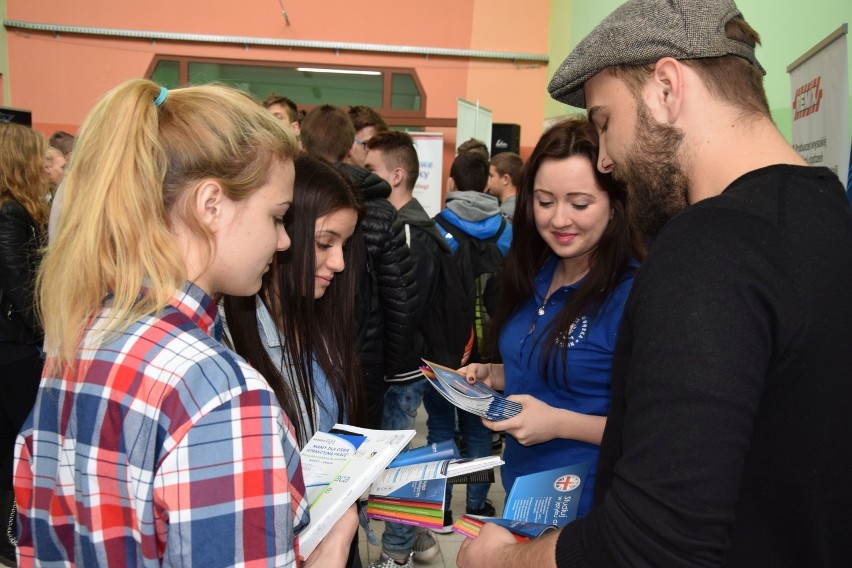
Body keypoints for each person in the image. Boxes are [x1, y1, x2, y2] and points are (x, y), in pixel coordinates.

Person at [457, 1, 852, 567]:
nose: (608, 159)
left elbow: (651, 543)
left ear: (667, 88)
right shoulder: (827, 212)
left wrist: (500, 560)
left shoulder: (707, 248)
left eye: (603, 122)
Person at [14, 79, 357, 567]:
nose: (283, 242)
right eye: (277, 217)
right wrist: (333, 552)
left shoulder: (82, 336)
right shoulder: (222, 393)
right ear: (211, 205)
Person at [463, 116, 643, 519]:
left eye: (579, 204)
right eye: (545, 202)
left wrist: (559, 423)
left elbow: (650, 429)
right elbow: (561, 371)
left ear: (615, 207)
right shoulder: (537, 272)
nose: (559, 220)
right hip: (523, 495)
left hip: (587, 509)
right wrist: (497, 374)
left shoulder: (632, 295)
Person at [301, 104, 418, 431]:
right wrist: (386, 367)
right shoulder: (382, 209)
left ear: (303, 142)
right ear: (350, 145)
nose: (337, 261)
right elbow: (400, 301)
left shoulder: (291, 198)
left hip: (303, 354)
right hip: (363, 364)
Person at [364, 130, 445, 567]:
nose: (362, 177)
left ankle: (395, 554)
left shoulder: (410, 230)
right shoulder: (402, 223)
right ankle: (422, 543)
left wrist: (385, 368)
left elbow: (404, 309)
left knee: (396, 465)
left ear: (396, 176)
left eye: (370, 170)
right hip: (399, 366)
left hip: (400, 371)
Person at [426, 151, 513, 530]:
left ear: (451, 184)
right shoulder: (508, 230)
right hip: (491, 354)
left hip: (443, 350)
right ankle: (476, 510)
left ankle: (441, 512)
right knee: (480, 432)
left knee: (440, 431)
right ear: (486, 184)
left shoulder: (435, 228)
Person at [0, 123, 50, 568]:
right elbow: (19, 281)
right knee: (25, 446)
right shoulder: (11, 213)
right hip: (14, 349)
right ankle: (16, 538)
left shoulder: (15, 210)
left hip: (11, 345)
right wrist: (50, 330)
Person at [486, 152, 522, 222]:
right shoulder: (520, 204)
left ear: (505, 179)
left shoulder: (507, 212)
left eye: (491, 176)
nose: (488, 181)